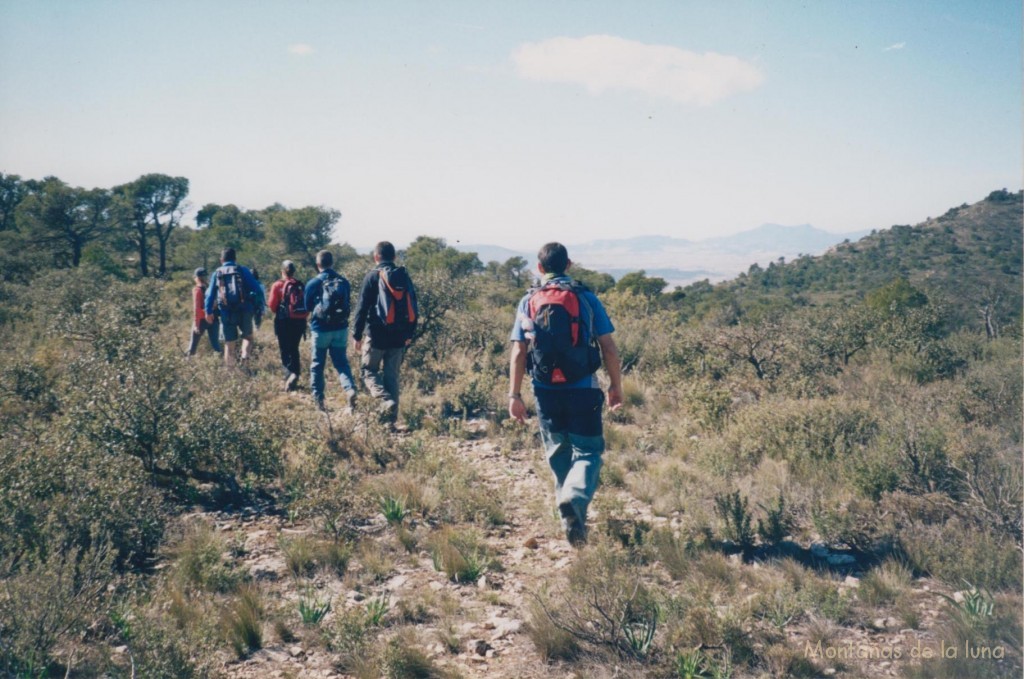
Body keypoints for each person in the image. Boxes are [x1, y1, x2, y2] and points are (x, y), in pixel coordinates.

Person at [508, 242, 623, 547]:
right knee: (587, 452)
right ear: (569, 265)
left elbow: (519, 352)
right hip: (582, 387)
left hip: (545, 391)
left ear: (540, 268)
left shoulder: (528, 300)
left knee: (558, 453)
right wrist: (615, 386)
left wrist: (514, 395)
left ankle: (573, 526)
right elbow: (608, 347)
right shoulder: (585, 298)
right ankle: (574, 502)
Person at [352, 241, 418, 423]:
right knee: (392, 377)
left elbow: (361, 308)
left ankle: (384, 400)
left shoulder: (372, 277)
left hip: (375, 336)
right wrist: (409, 335)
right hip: (399, 338)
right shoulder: (403, 276)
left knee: (368, 371)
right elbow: (414, 306)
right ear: (394, 257)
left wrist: (356, 335)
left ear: (376, 257)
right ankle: (390, 422)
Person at [304, 249, 357, 411]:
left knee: (317, 365)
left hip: (320, 329)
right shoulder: (344, 281)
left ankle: (319, 401)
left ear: (318, 264)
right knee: (341, 363)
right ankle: (350, 389)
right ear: (332, 263)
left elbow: (307, 307)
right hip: (341, 329)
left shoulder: (313, 283)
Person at [204, 248, 264, 367]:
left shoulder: (217, 273)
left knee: (229, 343)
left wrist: (208, 311)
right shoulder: (243, 270)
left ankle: (231, 373)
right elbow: (257, 290)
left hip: (226, 312)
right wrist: (257, 307)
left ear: (221, 260)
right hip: (245, 310)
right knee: (248, 337)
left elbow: (210, 294)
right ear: (235, 259)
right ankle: (245, 359)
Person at [267, 260, 308, 391]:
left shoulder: (277, 285)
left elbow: (272, 306)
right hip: (299, 322)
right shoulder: (300, 285)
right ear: (294, 271)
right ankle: (295, 374)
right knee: (294, 348)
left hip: (283, 321)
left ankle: (289, 375)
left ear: (282, 271)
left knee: (285, 350)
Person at [186, 267, 221, 356]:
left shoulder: (197, 289)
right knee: (216, 345)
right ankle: (225, 364)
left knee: (192, 347)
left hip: (202, 320)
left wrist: (196, 325)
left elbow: (197, 308)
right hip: (214, 319)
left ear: (196, 277)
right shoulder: (211, 289)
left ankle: (187, 364)